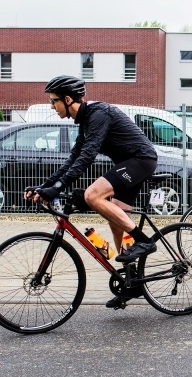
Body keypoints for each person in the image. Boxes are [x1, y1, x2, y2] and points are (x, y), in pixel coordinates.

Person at [24, 75, 160, 310]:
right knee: (115, 217)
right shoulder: (85, 122)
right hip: (128, 162)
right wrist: (45, 186)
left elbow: (87, 156)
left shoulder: (98, 115)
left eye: (53, 101)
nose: (52, 106)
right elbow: (73, 159)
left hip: (141, 160)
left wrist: (58, 188)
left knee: (91, 195)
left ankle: (144, 241)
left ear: (68, 99)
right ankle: (132, 281)